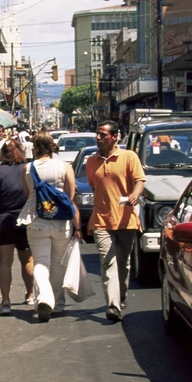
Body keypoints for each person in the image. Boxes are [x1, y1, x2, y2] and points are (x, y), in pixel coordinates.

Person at [85, 120, 146, 323]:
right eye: (97, 134)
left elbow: (139, 180)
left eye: (103, 135)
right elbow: (95, 187)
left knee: (123, 262)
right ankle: (113, 305)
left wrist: (135, 195)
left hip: (126, 219)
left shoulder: (129, 156)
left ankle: (121, 295)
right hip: (101, 219)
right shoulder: (91, 161)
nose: (98, 138)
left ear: (114, 137)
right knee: (107, 261)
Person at [23, 133, 81, 322]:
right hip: (61, 222)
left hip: (36, 220)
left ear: (37, 147)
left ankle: (45, 298)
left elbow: (28, 194)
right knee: (58, 264)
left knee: (40, 263)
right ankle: (58, 303)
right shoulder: (65, 167)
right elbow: (71, 197)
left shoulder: (27, 168)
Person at [0, 138, 34, 314]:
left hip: (4, 220)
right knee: (27, 259)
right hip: (26, 219)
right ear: (20, 151)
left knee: (5, 261)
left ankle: (5, 301)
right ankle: (30, 294)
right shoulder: (28, 169)